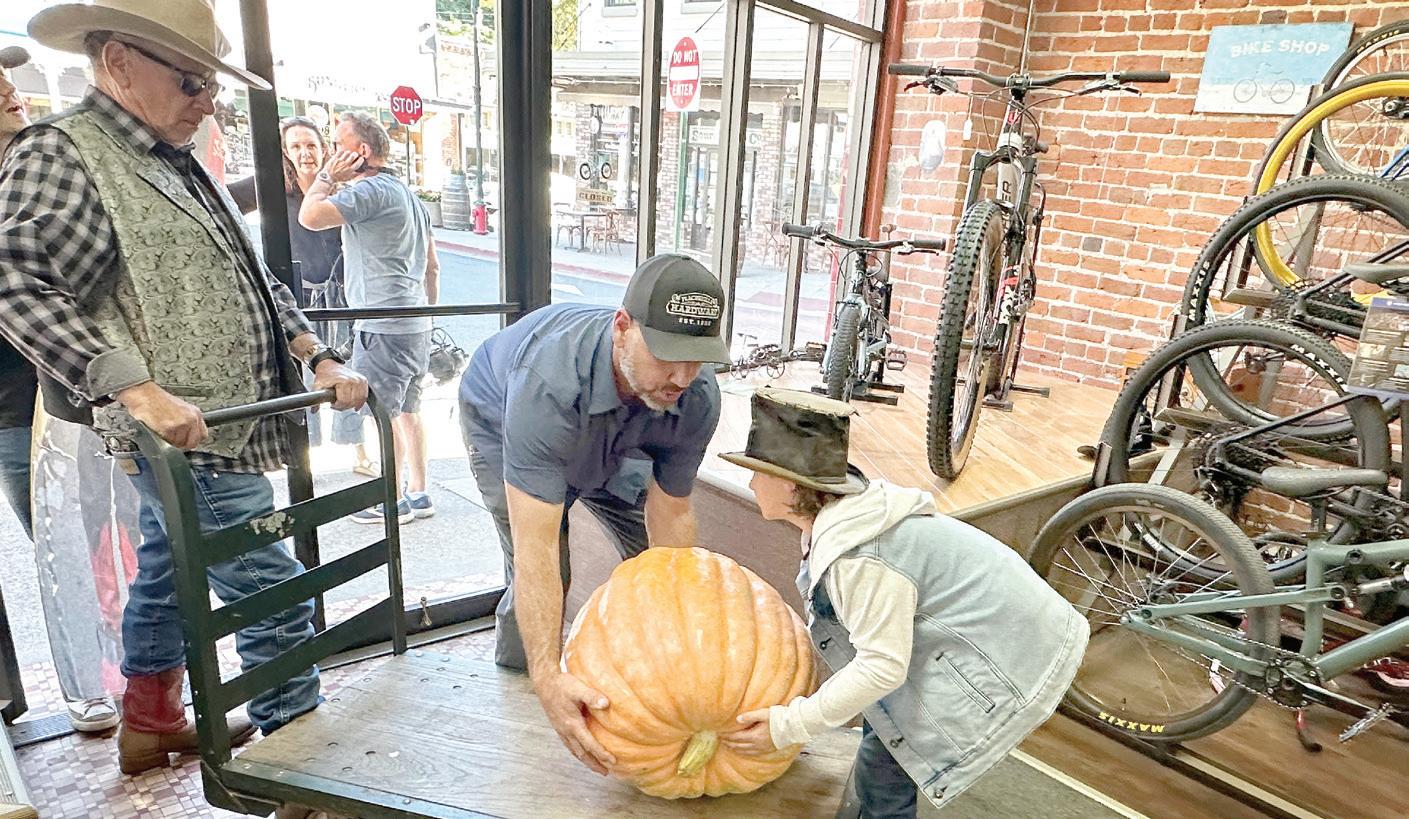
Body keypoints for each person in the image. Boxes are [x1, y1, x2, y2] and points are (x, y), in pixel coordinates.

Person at [0, 0, 367, 778]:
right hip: (182, 433)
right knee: (270, 588)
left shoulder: (174, 156)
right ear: (119, 63)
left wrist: (317, 355)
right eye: (192, 82)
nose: (207, 102)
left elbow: (252, 275)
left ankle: (150, 719)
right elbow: (15, 283)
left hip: (226, 421)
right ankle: (300, 772)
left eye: (212, 86)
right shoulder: (64, 152)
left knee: (168, 566)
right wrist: (135, 390)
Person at [718, 388, 1089, 817]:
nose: (751, 484)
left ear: (788, 483)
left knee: (888, 761)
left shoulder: (860, 559)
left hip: (1008, 648)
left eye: (757, 473)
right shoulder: (847, 522)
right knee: (886, 731)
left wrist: (788, 726)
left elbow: (882, 667)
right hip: (990, 629)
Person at [457, 253, 729, 772]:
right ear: (622, 328)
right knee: (548, 565)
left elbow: (671, 515)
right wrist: (548, 676)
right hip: (503, 412)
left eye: (697, 357)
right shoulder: (546, 383)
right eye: (668, 354)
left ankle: (649, 684)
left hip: (621, 424)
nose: (682, 375)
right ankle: (524, 686)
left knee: (650, 562)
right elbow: (536, 550)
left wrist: (684, 644)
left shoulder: (695, 395)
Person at [0, 43, 124, 735]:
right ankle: (87, 685)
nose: (7, 88)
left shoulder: (53, 167)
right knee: (61, 550)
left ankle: (126, 678)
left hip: (73, 398)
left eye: (6, 75)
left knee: (105, 544)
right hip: (15, 408)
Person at [298, 111, 439, 524]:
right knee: (409, 410)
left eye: (337, 145)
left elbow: (310, 216)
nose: (331, 152)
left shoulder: (371, 191)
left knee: (384, 413)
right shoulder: (408, 196)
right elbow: (432, 267)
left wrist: (327, 176)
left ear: (361, 151)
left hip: (382, 323)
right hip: (415, 322)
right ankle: (419, 492)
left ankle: (390, 501)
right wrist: (427, 314)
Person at [228, 116, 375, 473]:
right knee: (305, 374)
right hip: (297, 298)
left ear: (323, 149)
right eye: (295, 146)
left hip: (340, 294)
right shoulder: (273, 187)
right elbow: (223, 201)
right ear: (285, 152)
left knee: (346, 368)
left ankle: (358, 452)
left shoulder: (339, 188)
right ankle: (305, 458)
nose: (305, 153)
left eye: (310, 145)